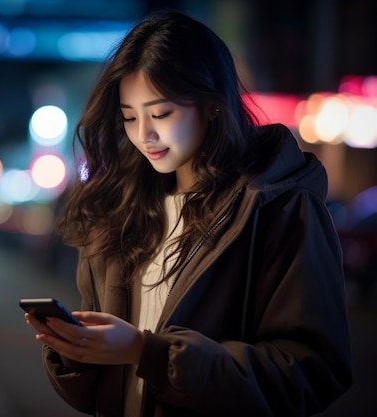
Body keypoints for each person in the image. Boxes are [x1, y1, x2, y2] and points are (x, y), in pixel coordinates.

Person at [23, 9, 353, 417]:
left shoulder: (279, 207)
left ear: (211, 104)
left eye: (161, 114)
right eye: (129, 116)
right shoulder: (121, 210)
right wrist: (76, 354)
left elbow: (312, 372)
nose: (144, 133)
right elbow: (99, 393)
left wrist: (150, 353)